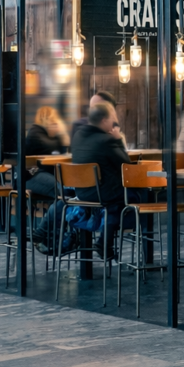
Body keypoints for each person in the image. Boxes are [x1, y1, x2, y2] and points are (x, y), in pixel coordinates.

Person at [36, 101, 130, 258]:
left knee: (115, 196)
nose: (114, 121)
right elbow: (126, 164)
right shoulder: (108, 141)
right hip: (102, 195)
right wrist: (118, 139)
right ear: (104, 121)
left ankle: (100, 243)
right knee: (124, 197)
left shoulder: (78, 136)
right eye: (112, 117)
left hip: (82, 193)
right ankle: (104, 244)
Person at [25, 106, 70, 199]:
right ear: (46, 119)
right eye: (54, 120)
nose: (56, 123)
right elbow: (52, 149)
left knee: (69, 190)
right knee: (65, 191)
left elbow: (61, 153)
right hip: (28, 178)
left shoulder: (50, 137)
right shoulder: (35, 132)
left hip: (42, 174)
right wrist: (62, 134)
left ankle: (53, 213)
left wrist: (61, 137)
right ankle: (52, 214)